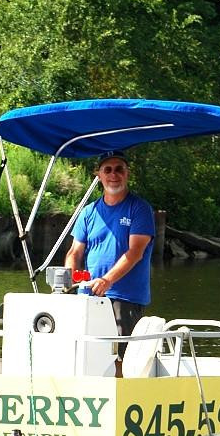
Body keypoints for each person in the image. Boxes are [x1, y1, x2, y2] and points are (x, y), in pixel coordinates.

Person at [64, 150, 155, 375]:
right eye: (108, 169)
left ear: (127, 174)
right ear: (99, 175)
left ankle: (119, 399)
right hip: (88, 297)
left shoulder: (139, 208)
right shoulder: (88, 212)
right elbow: (75, 251)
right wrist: (68, 279)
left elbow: (135, 252)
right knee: (83, 353)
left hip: (124, 297)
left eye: (119, 169)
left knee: (119, 357)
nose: (113, 174)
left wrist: (107, 280)